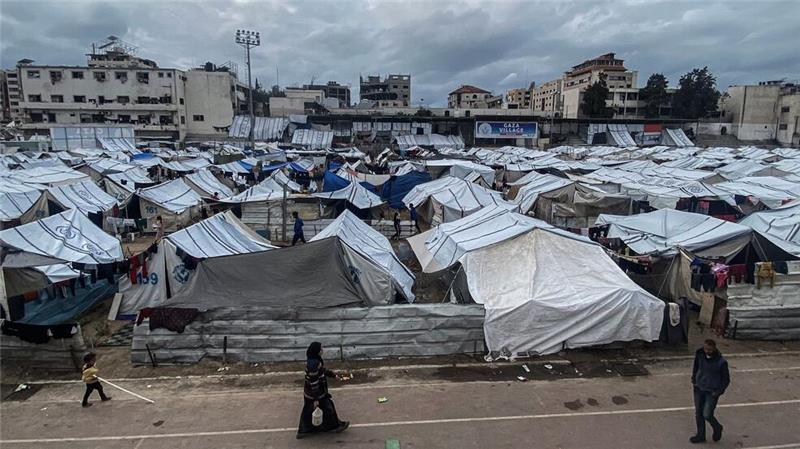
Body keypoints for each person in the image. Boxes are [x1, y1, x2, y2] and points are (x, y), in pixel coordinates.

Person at [297, 342, 349, 438]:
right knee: (328, 407)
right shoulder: (313, 364)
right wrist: (316, 399)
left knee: (309, 411)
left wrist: (333, 375)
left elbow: (322, 370)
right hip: (315, 393)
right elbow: (314, 382)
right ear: (317, 351)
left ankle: (305, 430)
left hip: (312, 393)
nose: (323, 350)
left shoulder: (315, 361)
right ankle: (333, 426)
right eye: (321, 349)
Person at [690, 339, 730, 443]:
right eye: (705, 348)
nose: (706, 351)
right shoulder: (700, 354)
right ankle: (701, 435)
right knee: (698, 413)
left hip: (711, 391)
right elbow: (696, 366)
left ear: (714, 349)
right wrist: (694, 378)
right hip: (699, 388)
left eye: (709, 349)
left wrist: (718, 392)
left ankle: (717, 427)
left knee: (707, 414)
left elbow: (726, 379)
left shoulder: (721, 362)